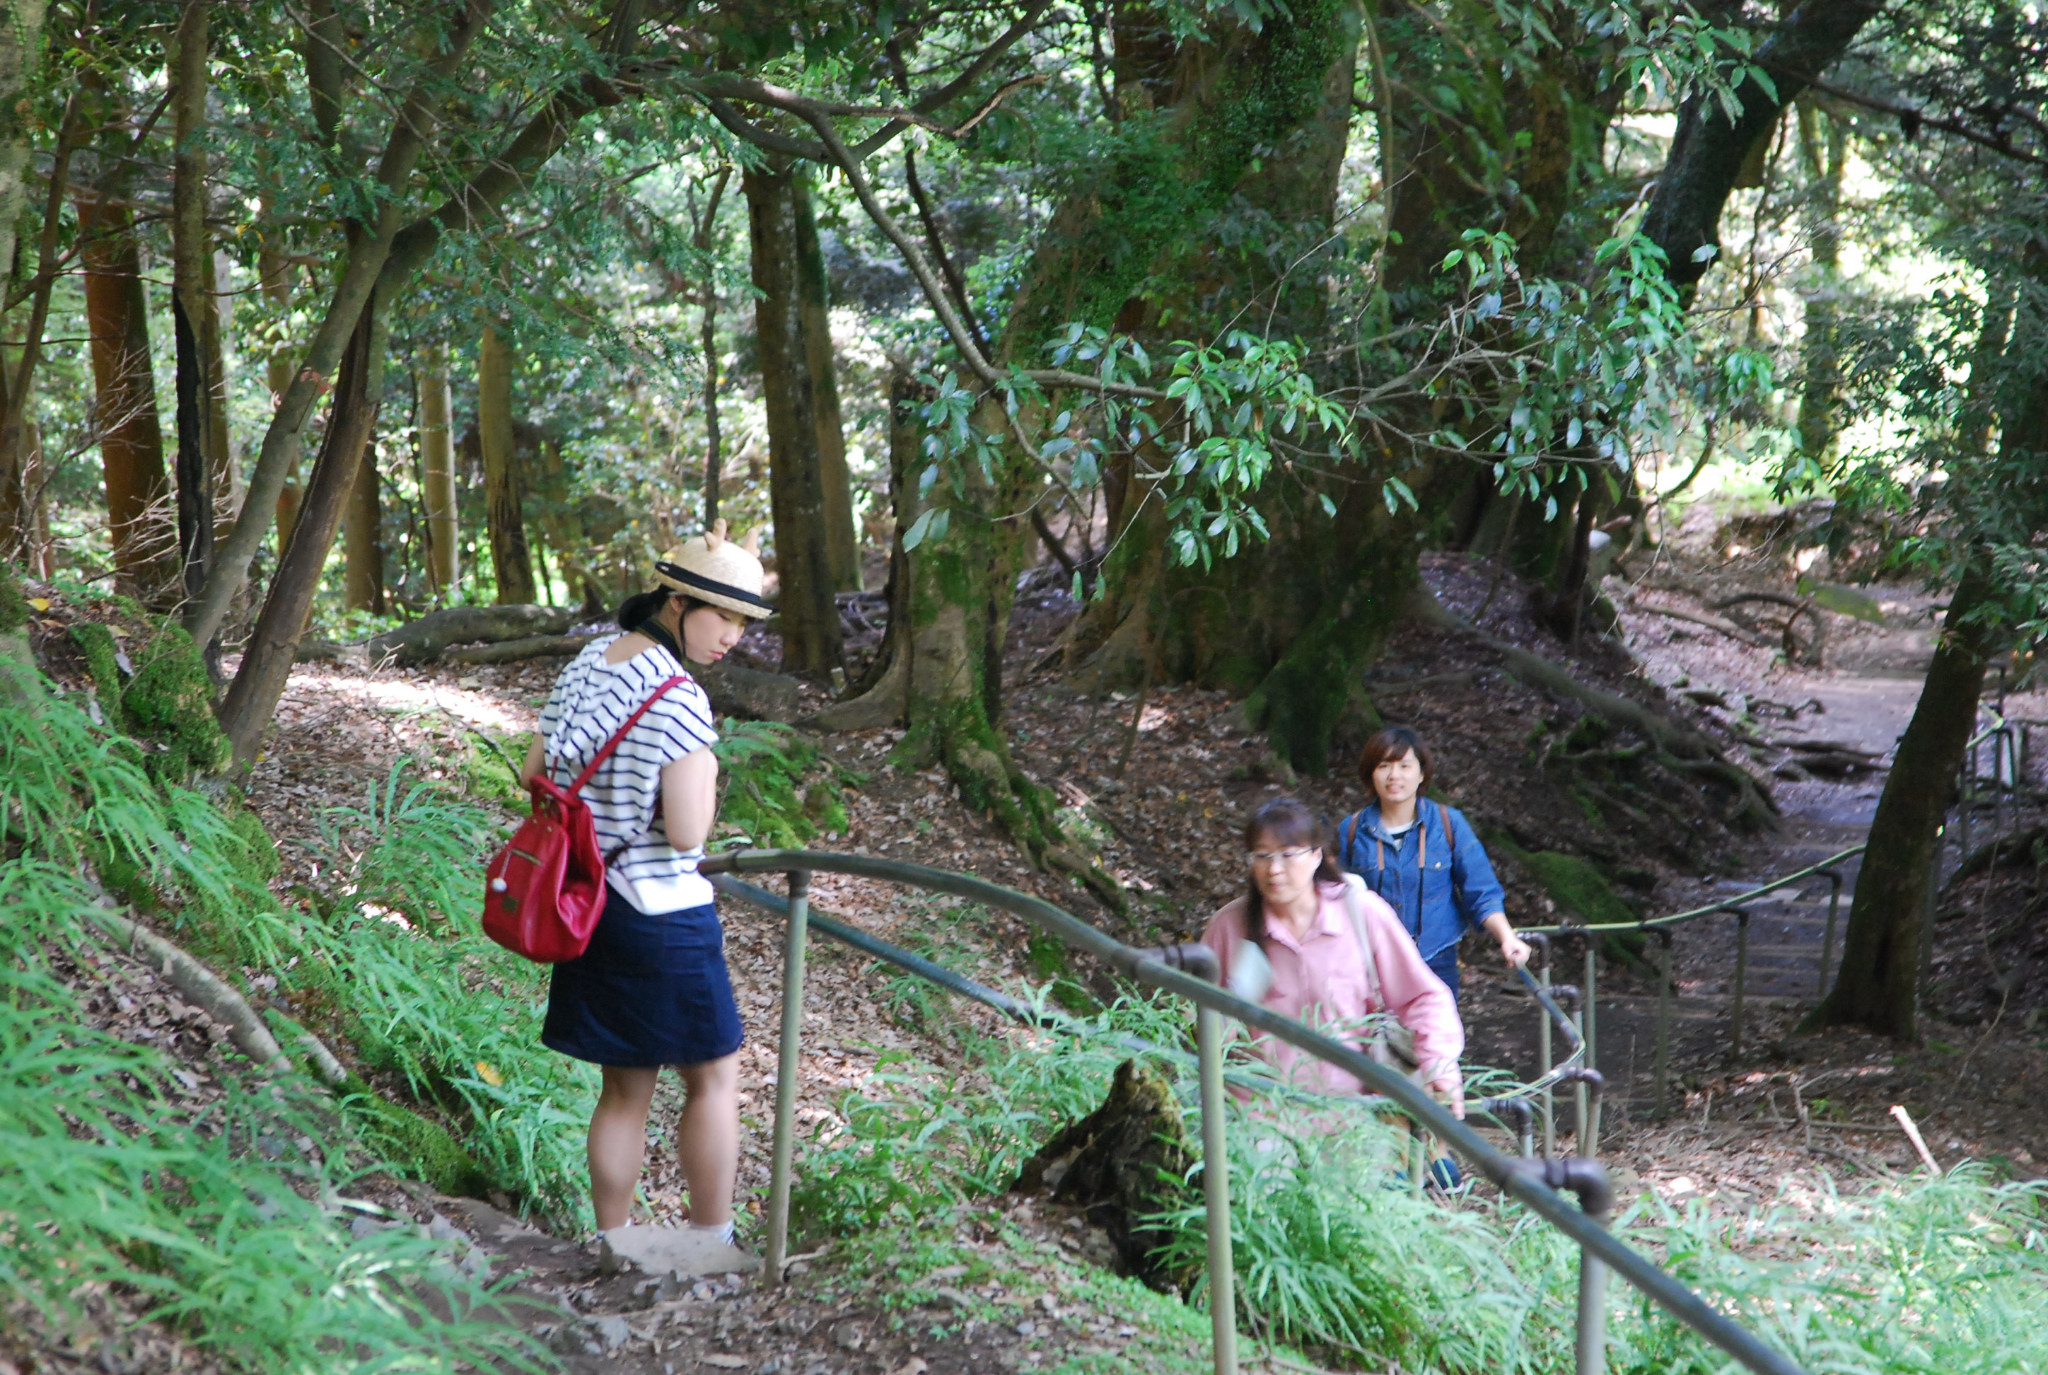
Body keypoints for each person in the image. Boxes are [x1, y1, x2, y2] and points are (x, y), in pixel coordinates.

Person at [520, 521, 770, 1245]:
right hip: (661, 911)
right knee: (713, 1076)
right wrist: (709, 776)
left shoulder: (589, 661)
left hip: (587, 904)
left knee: (624, 1089)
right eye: (721, 614)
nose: (732, 636)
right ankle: (709, 1244)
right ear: (675, 602)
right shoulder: (680, 697)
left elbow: (534, 775)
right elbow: (689, 832)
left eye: (743, 621)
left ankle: (614, 1244)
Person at [1200, 797, 1465, 1117]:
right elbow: (1198, 1024)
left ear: (1315, 856)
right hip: (1259, 1122)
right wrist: (1231, 1009)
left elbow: (1423, 997)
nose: (1274, 869)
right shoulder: (1230, 928)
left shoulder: (1361, 912)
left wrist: (1440, 1068)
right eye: (1262, 856)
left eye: (1288, 855)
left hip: (1352, 1120)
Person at [1338, 726, 1530, 1004]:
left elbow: (1482, 891)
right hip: (1372, 963)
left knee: (1437, 1045)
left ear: (1421, 773)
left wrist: (1507, 938)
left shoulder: (1448, 823)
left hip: (1436, 960)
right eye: (1384, 766)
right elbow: (1337, 899)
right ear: (1371, 773)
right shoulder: (1353, 830)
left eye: (1405, 765)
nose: (1395, 776)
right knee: (1374, 1045)